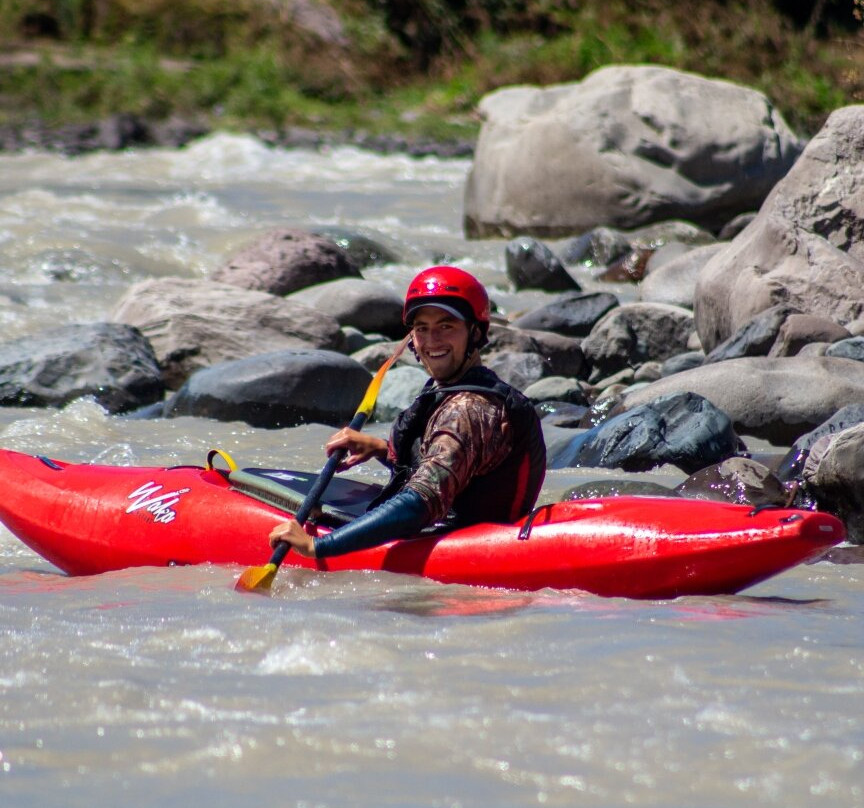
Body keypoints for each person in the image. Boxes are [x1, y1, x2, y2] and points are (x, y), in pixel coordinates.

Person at [268, 265, 547, 558]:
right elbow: (455, 467)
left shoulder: (467, 409)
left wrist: (318, 546)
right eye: (421, 329)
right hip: (465, 530)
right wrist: (381, 449)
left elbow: (418, 504)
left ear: (475, 333)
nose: (431, 341)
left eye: (446, 326)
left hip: (468, 548)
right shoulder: (455, 389)